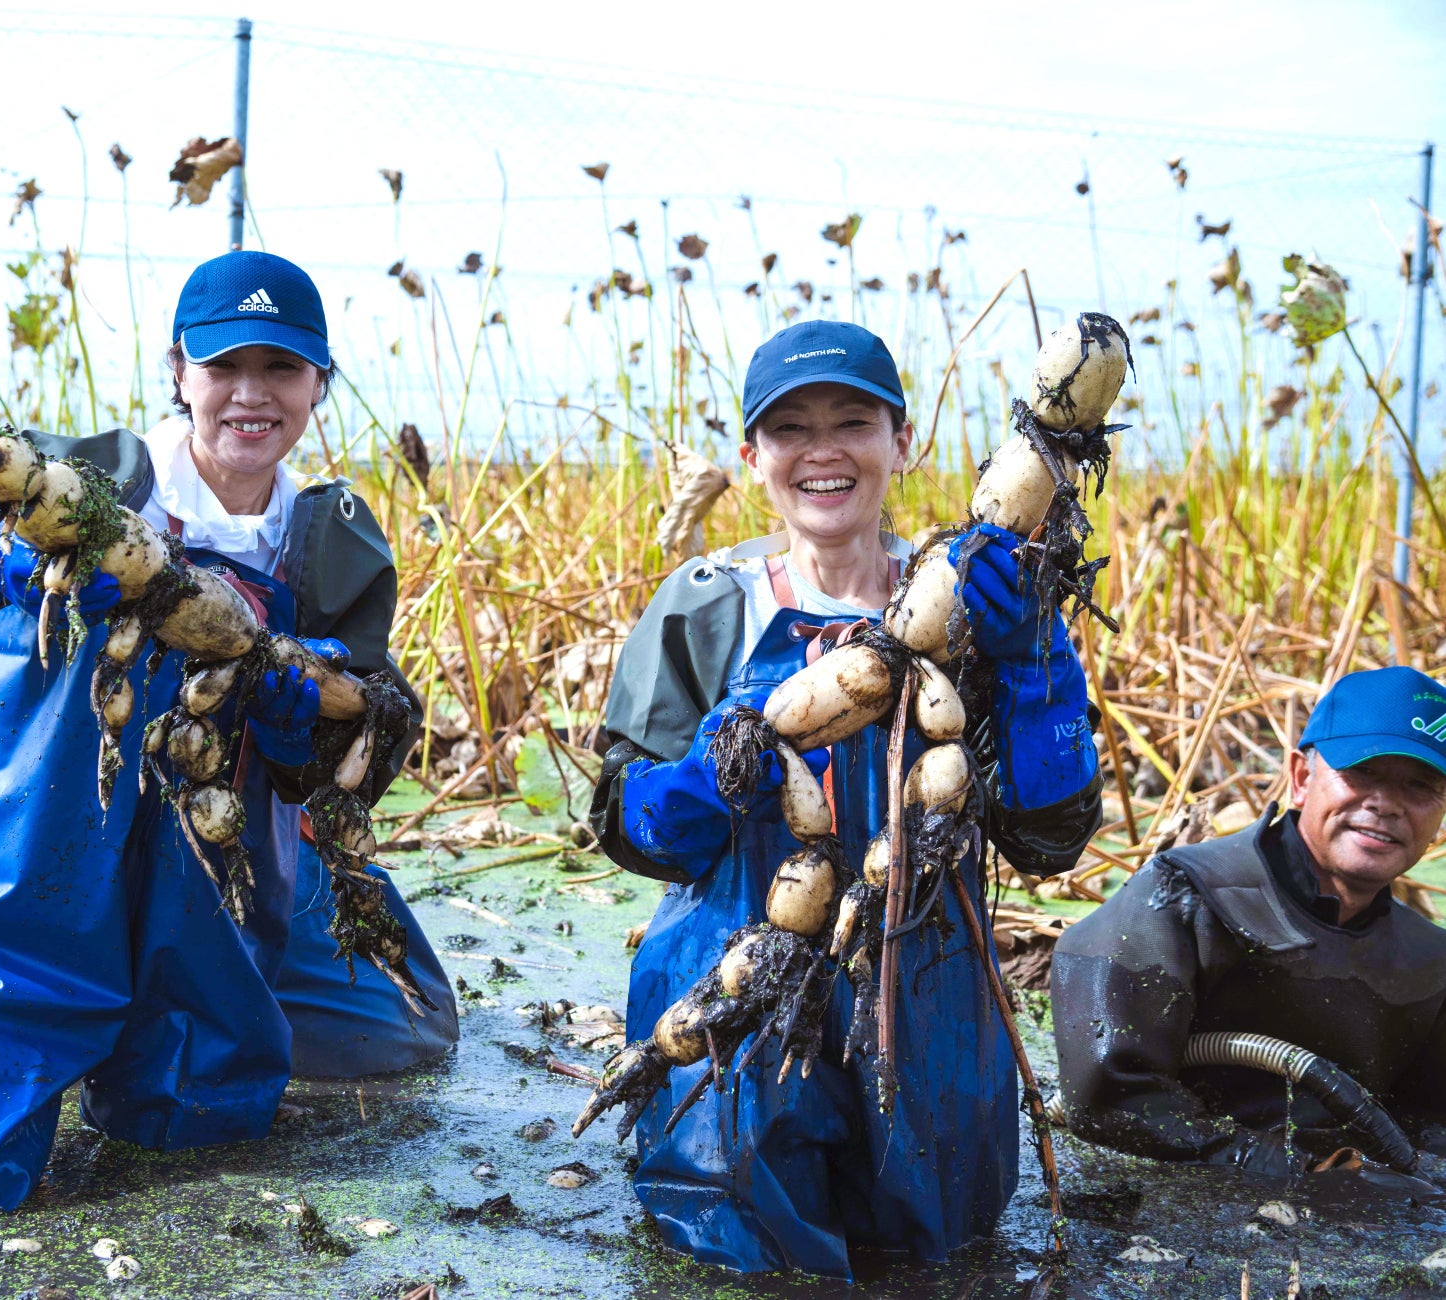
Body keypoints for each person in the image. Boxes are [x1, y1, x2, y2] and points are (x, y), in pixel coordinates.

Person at [0, 250, 457, 1217]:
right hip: (47, 837)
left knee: (392, 1035)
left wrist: (305, 698)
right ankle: (60, 1025)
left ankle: (151, 1022)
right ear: (178, 372)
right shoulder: (87, 481)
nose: (252, 395)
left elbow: (349, 752)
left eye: (282, 369)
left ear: (320, 384)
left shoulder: (334, 539)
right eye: (224, 367)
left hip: (218, 844)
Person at [587, 319, 1102, 1277]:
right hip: (735, 965)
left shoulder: (974, 598)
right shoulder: (706, 604)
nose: (823, 451)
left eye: (852, 422)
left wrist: (1035, 662)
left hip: (926, 985)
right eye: (791, 430)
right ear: (753, 457)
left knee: (935, 1249)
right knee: (731, 1235)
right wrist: (704, 781)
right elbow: (623, 818)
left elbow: (1048, 838)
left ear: (901, 442)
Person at [1052, 665, 1446, 1180]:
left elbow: (1428, 1119)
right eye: (1363, 772)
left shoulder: (1430, 964)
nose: (1385, 805)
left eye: (1419, 786)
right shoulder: (1185, 898)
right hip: (1166, 1203)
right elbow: (1105, 1097)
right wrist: (1296, 1172)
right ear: (1301, 778)